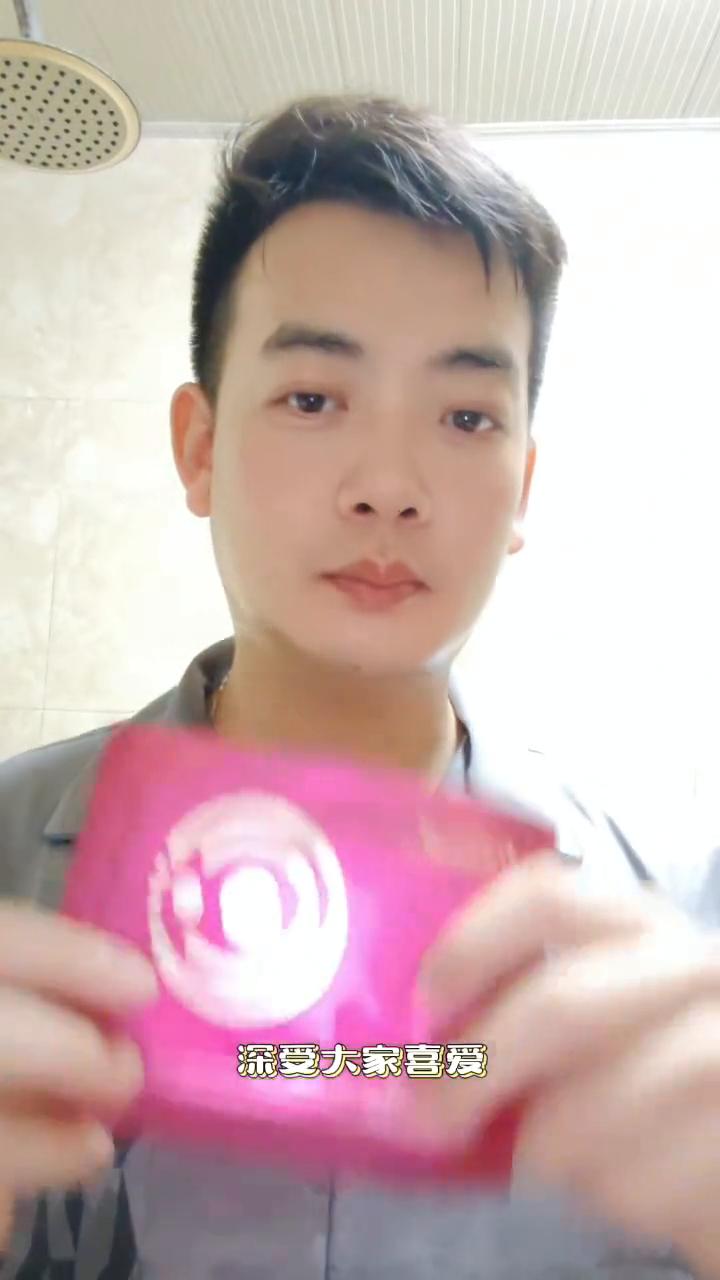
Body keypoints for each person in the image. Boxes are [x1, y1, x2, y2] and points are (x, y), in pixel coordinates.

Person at [1, 95, 719, 1280]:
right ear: (199, 446)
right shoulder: (9, 861)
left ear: (522, 484)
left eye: (466, 415)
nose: (390, 483)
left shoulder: (678, 917)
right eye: (313, 397)